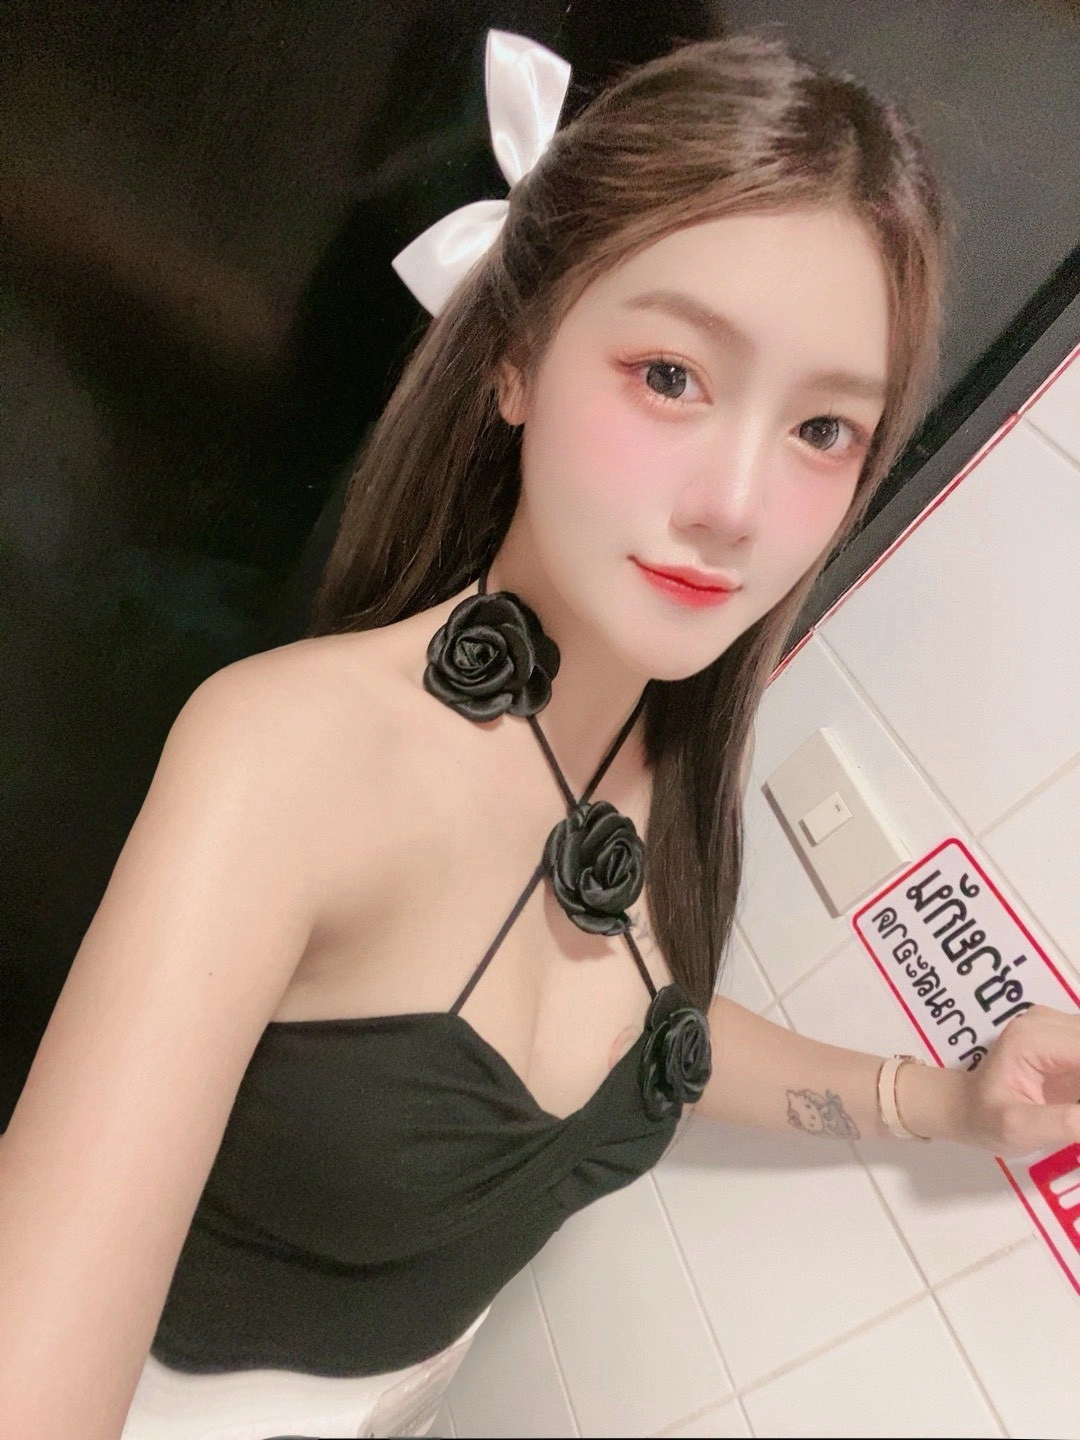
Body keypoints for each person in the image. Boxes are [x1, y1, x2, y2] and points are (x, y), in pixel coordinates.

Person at [3, 27, 1079, 1440]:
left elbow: (651, 1031)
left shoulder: (674, 752)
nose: (738, 507)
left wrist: (938, 1103)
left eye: (823, 430)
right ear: (516, 361)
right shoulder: (290, 764)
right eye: (672, 376)